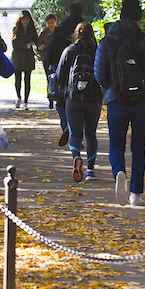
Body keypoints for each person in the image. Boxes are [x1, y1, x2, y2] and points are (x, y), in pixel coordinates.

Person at [95, 0, 145, 207]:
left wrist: (112, 87)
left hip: (116, 100)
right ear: (138, 19)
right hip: (141, 100)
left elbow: (99, 75)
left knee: (116, 145)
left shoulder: (107, 42)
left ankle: (119, 173)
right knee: (138, 147)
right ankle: (136, 193)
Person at [55, 21, 101, 182]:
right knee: (90, 134)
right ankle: (90, 170)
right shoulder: (97, 51)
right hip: (94, 98)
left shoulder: (69, 51)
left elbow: (60, 75)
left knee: (75, 133)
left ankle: (76, 157)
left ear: (76, 34)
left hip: (73, 98)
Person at [45, 2, 85, 146]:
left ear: (69, 12)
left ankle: (65, 124)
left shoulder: (60, 29)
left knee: (61, 100)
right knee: (81, 102)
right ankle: (77, 131)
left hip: (63, 68)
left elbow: (51, 50)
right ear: (81, 13)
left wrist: (51, 63)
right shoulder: (85, 29)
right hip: (82, 71)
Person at [10, 10, 41, 109]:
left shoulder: (32, 30)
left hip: (28, 57)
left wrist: (42, 47)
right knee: (17, 79)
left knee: (27, 79)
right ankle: (18, 97)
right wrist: (27, 45)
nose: (25, 22)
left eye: (27, 19)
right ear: (20, 20)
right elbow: (15, 45)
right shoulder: (16, 29)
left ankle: (26, 101)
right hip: (18, 57)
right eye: (24, 19)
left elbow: (37, 41)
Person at [36, 13, 59, 109]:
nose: (51, 25)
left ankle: (57, 96)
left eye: (52, 23)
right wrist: (43, 50)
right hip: (47, 59)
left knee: (58, 78)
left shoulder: (58, 32)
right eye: (49, 23)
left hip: (57, 58)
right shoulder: (43, 34)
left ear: (55, 22)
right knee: (49, 79)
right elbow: (38, 46)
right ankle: (50, 99)